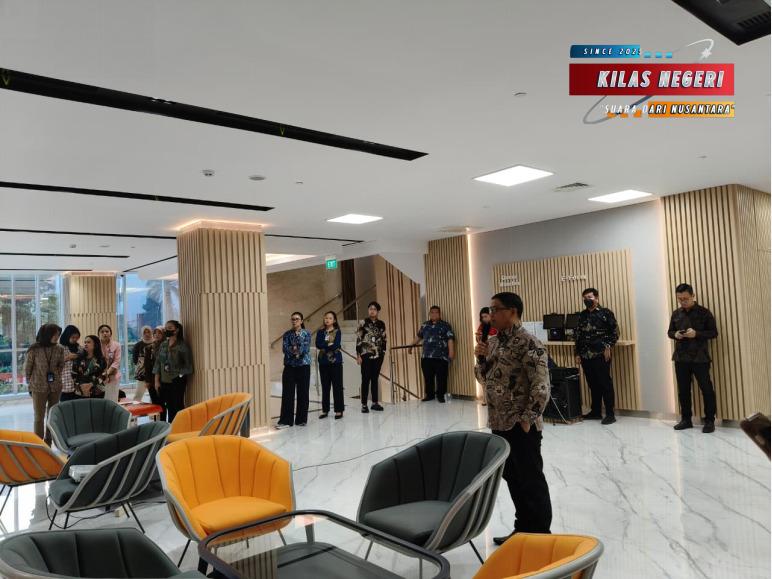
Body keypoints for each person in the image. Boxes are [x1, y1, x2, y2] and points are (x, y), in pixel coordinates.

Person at [474, 292, 551, 545]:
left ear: (513, 311)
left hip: (521, 425)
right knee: (512, 477)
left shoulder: (529, 343)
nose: (491, 315)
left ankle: (540, 535)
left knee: (530, 479)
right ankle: (522, 529)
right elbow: (484, 379)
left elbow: (541, 385)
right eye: (490, 309)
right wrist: (480, 358)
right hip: (499, 422)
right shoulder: (494, 343)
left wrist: (528, 418)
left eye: (495, 309)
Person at [668, 283, 718, 433]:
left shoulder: (704, 313)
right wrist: (675, 334)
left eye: (685, 298)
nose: (683, 301)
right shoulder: (676, 314)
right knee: (683, 390)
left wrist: (696, 334)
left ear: (693, 296)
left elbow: (714, 332)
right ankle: (686, 420)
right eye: (680, 299)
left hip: (700, 358)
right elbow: (670, 332)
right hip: (680, 357)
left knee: (706, 389)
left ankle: (709, 421)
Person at [574, 288, 619, 425]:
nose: (587, 300)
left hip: (600, 354)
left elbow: (615, 332)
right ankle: (596, 412)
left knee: (605, 384)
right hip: (585, 355)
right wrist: (577, 353)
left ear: (596, 297)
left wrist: (608, 346)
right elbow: (577, 335)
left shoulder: (606, 313)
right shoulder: (582, 315)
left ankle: (610, 414)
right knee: (593, 384)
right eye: (584, 298)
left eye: (589, 297)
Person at [24, 324, 65, 444]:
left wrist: (56, 374)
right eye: (55, 334)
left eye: (58, 334)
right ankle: (38, 443)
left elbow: (61, 365)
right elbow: (28, 368)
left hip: (55, 387)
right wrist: (30, 384)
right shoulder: (34, 349)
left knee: (52, 416)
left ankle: (48, 442)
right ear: (47, 334)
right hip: (38, 387)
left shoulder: (60, 348)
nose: (57, 337)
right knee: (39, 417)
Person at [411, 306, 455, 403]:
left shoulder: (445, 325)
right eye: (432, 312)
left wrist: (451, 353)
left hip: (441, 357)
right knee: (428, 377)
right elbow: (418, 337)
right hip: (426, 357)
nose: (434, 314)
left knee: (441, 377)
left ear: (439, 314)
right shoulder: (425, 325)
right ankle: (429, 395)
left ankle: (440, 395)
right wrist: (411, 346)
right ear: (429, 314)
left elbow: (450, 339)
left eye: (436, 312)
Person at [154, 320, 193, 423]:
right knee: (168, 406)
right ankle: (170, 428)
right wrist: (156, 381)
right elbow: (158, 363)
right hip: (164, 381)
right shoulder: (163, 345)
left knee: (177, 406)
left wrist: (178, 374)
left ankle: (180, 427)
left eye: (170, 328)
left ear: (176, 330)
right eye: (166, 328)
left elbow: (189, 367)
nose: (167, 330)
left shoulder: (182, 346)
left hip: (177, 381)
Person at [277, 312, 312, 428]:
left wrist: (294, 350)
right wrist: (295, 351)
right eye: (292, 319)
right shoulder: (287, 334)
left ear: (301, 321)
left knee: (303, 392)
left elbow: (304, 349)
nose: (294, 321)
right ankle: (286, 420)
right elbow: (285, 349)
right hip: (289, 366)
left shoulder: (306, 333)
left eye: (297, 319)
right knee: (287, 393)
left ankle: (301, 420)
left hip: (303, 366)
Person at [356, 301, 387, 413]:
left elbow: (384, 338)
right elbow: (359, 339)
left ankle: (375, 403)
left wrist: (383, 352)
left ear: (377, 311)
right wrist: (358, 355)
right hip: (365, 353)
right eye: (370, 309)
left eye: (374, 309)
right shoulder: (363, 323)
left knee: (375, 378)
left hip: (378, 354)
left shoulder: (381, 324)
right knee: (365, 378)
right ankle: (364, 404)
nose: (372, 311)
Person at [315, 311, 344, 419]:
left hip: (335, 361)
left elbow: (336, 345)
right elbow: (318, 344)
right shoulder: (320, 332)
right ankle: (325, 410)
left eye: (330, 318)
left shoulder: (337, 331)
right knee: (325, 387)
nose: (327, 320)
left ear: (334, 320)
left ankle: (339, 410)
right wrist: (329, 344)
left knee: (337, 386)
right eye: (326, 318)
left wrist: (325, 346)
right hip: (323, 362)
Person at [476, 307, 498, 406]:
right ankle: (485, 398)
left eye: (486, 316)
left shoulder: (496, 325)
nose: (484, 319)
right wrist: (478, 338)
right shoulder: (481, 326)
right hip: (482, 354)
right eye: (482, 317)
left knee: (493, 377)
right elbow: (478, 340)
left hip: (494, 355)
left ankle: (493, 398)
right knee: (483, 377)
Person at [145, 326, 166, 419]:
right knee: (154, 403)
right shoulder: (149, 348)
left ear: (164, 334)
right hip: (152, 378)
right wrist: (147, 381)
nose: (157, 335)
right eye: (155, 333)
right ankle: (156, 423)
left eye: (159, 333)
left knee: (162, 402)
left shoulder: (167, 346)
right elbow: (147, 366)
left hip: (164, 378)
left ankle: (163, 422)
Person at [98, 324, 122, 402]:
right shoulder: (97, 345)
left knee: (112, 400)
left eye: (107, 331)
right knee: (101, 400)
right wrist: (102, 375)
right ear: (99, 334)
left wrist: (107, 373)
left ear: (110, 333)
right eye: (102, 332)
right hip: (99, 376)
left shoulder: (117, 345)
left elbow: (116, 361)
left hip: (113, 375)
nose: (105, 333)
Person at [59, 325, 82, 402]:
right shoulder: (60, 348)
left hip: (78, 384)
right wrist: (67, 358)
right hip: (65, 383)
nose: (75, 339)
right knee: (65, 406)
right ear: (67, 336)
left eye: (77, 337)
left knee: (78, 405)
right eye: (73, 337)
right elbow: (53, 364)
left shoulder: (79, 348)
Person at [132, 326, 154, 401]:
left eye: (149, 332)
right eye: (144, 332)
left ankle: (153, 409)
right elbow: (135, 360)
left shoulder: (156, 343)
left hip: (154, 374)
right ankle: (136, 408)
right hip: (142, 374)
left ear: (152, 332)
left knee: (154, 397)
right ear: (142, 334)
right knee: (138, 396)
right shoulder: (138, 345)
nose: (147, 334)